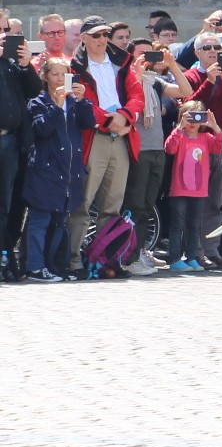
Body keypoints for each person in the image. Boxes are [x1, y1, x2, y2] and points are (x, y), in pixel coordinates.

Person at [120, 26, 194, 249]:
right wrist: (136, 75)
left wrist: (172, 64)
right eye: (140, 54)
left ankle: (140, 249)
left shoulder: (154, 80)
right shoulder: (124, 80)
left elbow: (185, 91)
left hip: (156, 150)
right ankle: (131, 252)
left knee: (148, 203)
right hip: (138, 149)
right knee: (135, 204)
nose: (145, 58)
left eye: (148, 53)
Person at [20, 60, 94, 282]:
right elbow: (41, 130)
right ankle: (34, 267)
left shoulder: (73, 102)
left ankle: (55, 266)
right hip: (45, 170)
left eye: (65, 74)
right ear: (44, 76)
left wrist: (81, 101)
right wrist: (56, 106)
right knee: (40, 219)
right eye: (55, 74)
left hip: (70, 171)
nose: (60, 79)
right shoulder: (37, 103)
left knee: (60, 221)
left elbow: (89, 122)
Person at [68, 18, 133, 261]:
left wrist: (125, 116)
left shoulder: (121, 62)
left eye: (105, 34)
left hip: (121, 136)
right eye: (96, 36)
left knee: (112, 205)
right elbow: (81, 104)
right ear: (83, 38)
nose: (103, 40)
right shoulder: (74, 66)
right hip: (93, 137)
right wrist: (110, 120)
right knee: (83, 202)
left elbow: (136, 95)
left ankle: (105, 259)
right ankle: (73, 259)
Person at [185, 32, 222, 264]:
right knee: (194, 201)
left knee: (215, 201)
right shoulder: (190, 75)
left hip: (220, 144)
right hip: (194, 146)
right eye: (206, 47)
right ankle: (194, 251)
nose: (212, 51)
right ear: (197, 52)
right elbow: (188, 106)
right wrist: (208, 82)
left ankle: (212, 250)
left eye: (217, 47)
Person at [161, 102, 222, 271]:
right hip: (179, 189)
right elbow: (169, 148)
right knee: (178, 224)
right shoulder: (180, 136)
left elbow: (221, 145)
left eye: (198, 116)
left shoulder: (206, 139)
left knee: (194, 225)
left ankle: (192, 257)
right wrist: (179, 128)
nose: (193, 121)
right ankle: (174, 259)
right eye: (189, 116)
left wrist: (214, 126)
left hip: (199, 190)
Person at [0, 29, 41, 279]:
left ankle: (6, 257)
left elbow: (34, 91)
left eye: (6, 31)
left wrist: (26, 66)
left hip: (11, 141)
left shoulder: (12, 64)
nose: (4, 36)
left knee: (11, 205)